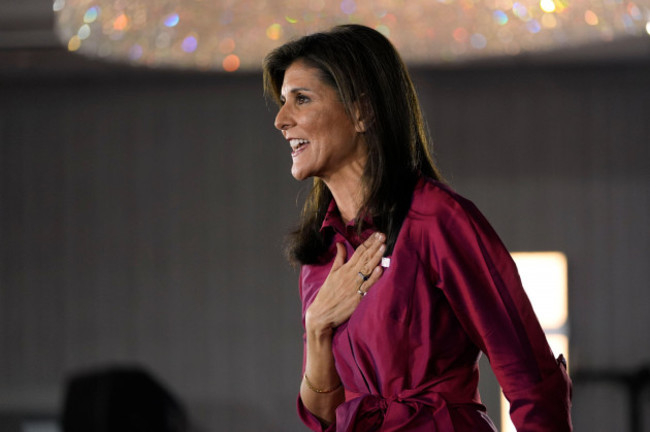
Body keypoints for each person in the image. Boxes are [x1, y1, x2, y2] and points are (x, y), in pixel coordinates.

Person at [263, 24, 572, 431]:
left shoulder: (437, 219)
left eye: (301, 99)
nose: (281, 120)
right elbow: (323, 417)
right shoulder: (321, 253)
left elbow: (531, 377)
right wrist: (317, 326)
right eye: (283, 102)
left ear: (362, 111)